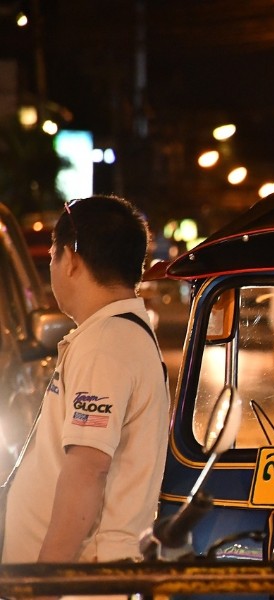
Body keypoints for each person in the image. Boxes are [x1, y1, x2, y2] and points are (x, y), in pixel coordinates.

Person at [1, 195, 170, 564]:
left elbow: (88, 469)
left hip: (81, 580)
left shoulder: (106, 344)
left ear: (71, 260)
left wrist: (46, 579)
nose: (52, 269)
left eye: (51, 258)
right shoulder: (114, 335)